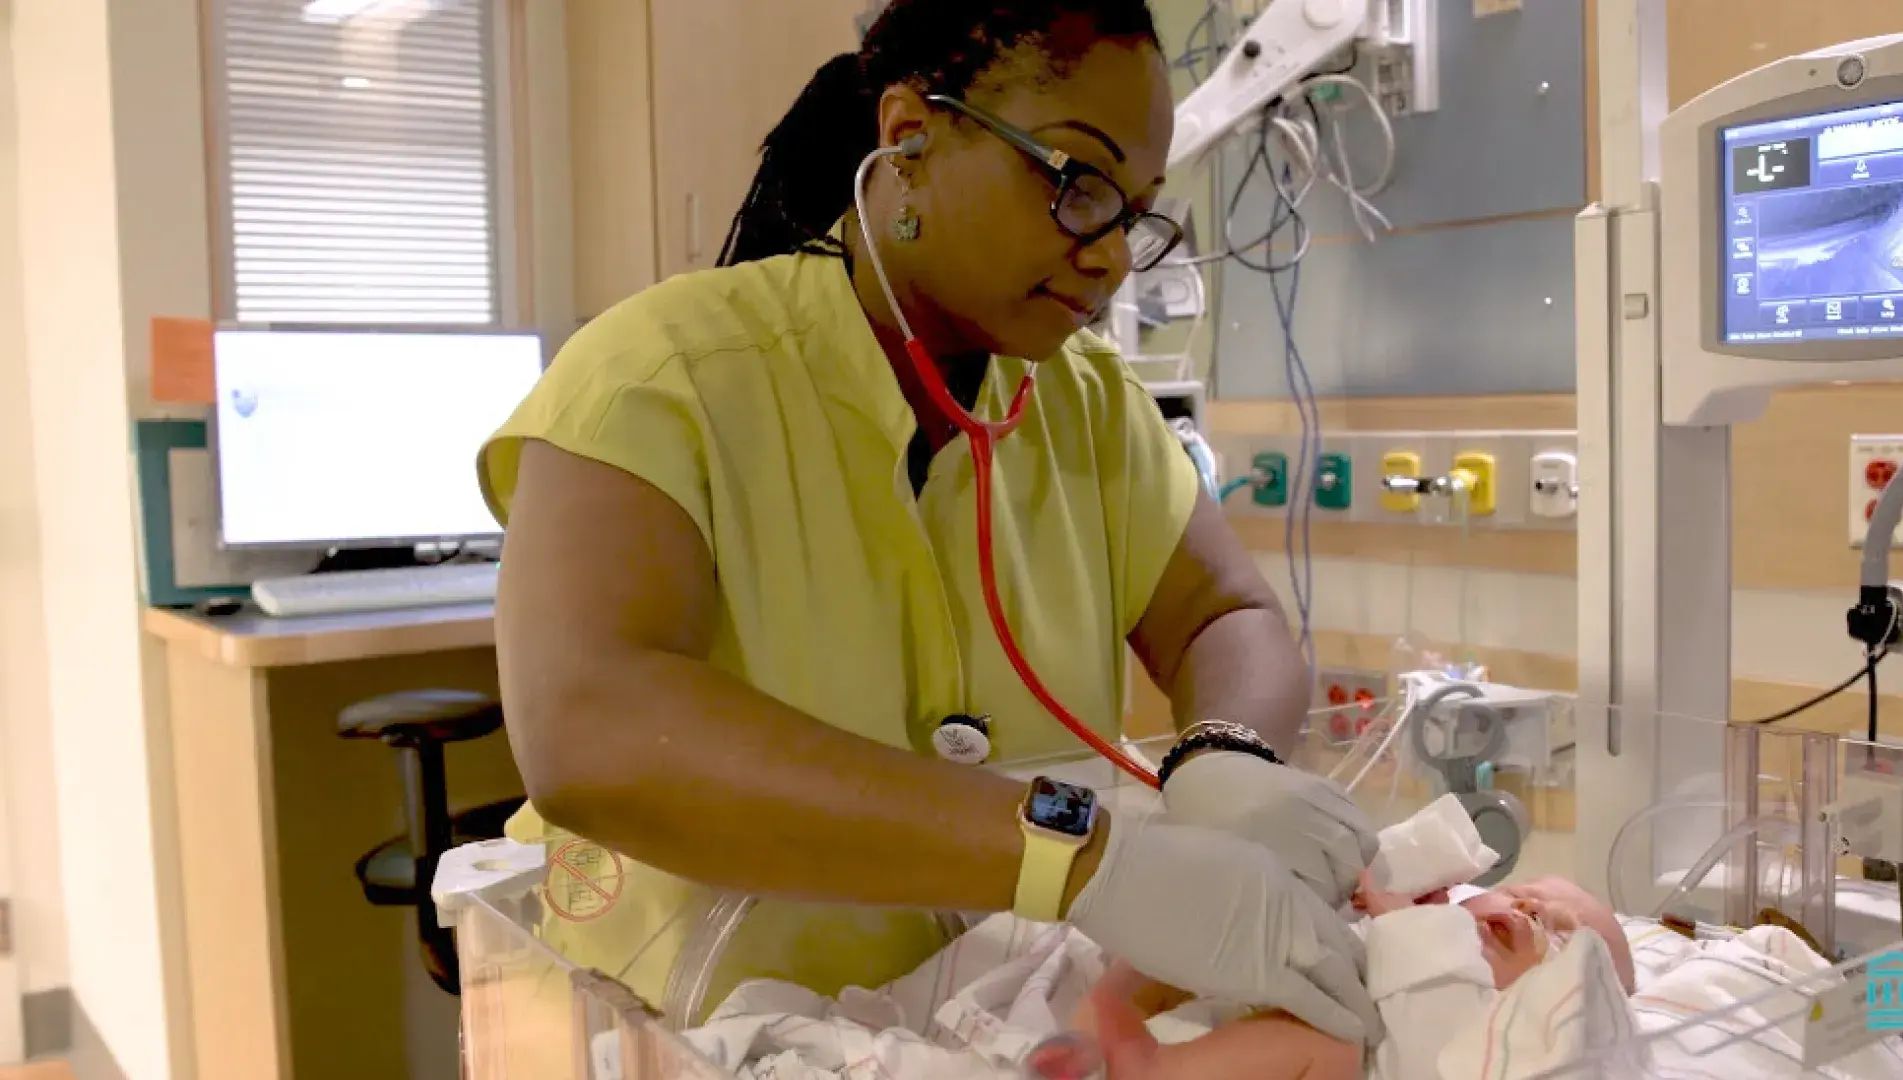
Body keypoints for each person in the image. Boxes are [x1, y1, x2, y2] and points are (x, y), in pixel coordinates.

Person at [481, 0, 1379, 1044]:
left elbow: (1223, 613)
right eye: (1077, 184)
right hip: (687, 1025)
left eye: (1135, 212)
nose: (1113, 256)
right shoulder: (662, 375)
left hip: (977, 1027)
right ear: (909, 138)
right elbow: (595, 731)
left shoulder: (1086, 403)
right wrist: (1084, 852)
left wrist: (1225, 757)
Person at [1063, 875, 1637, 1080]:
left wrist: (1408, 922)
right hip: (1259, 1012)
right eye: (1519, 893)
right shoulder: (1433, 940)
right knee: (1212, 949)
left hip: (1331, 1063)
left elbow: (1431, 1014)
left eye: (1559, 934)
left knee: (1325, 1037)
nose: (1528, 911)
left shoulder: (1481, 1017)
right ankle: (1094, 1021)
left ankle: (1155, 1070)